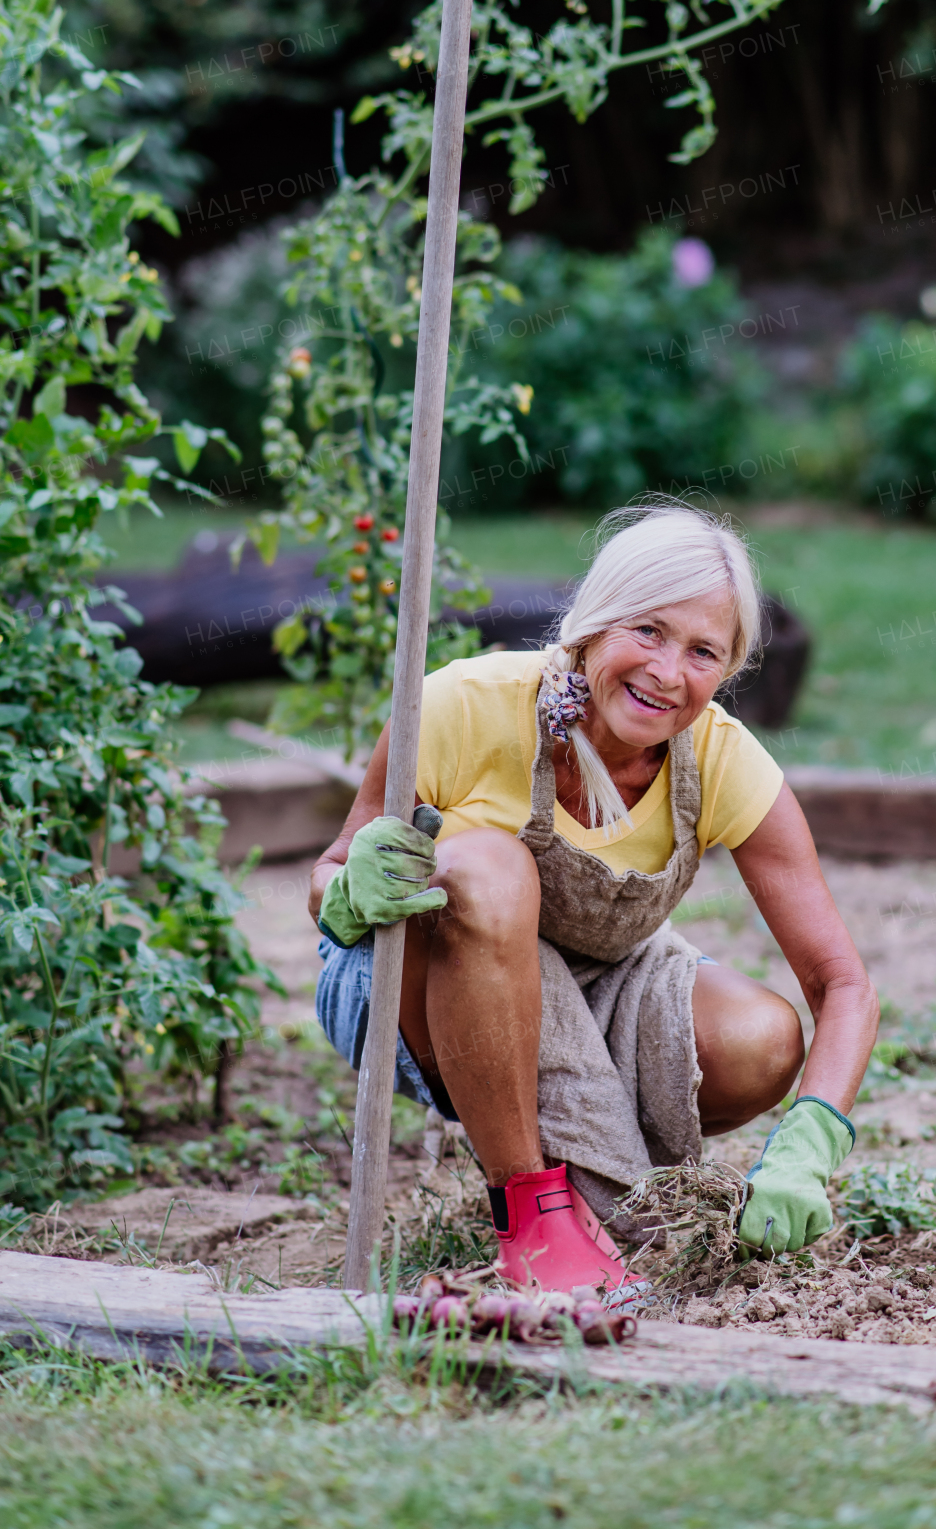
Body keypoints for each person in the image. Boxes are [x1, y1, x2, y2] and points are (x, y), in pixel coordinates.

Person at [310, 503, 879, 1293]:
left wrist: (813, 1139)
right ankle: (529, 1205)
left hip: (593, 983)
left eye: (703, 651)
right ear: (594, 622)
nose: (667, 673)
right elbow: (331, 871)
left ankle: (596, 1177)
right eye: (647, 631)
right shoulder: (463, 706)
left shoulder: (719, 759)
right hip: (407, 993)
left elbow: (841, 983)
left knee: (761, 1037)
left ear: (728, 668)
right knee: (484, 867)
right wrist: (350, 890)